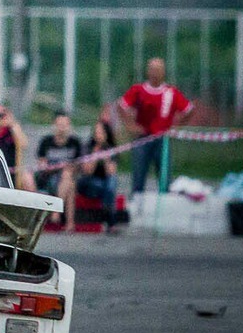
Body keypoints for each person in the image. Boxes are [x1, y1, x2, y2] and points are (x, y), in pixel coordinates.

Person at [118, 58, 195, 192]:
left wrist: (177, 126)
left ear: (163, 72)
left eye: (158, 70)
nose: (155, 73)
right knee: (138, 175)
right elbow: (121, 106)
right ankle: (137, 204)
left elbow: (189, 109)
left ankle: (165, 204)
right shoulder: (138, 90)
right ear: (147, 71)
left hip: (162, 139)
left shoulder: (171, 92)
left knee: (164, 176)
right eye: (152, 69)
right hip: (142, 139)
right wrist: (130, 126)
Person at [34, 112, 84, 227]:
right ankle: (68, 221)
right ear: (54, 125)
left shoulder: (75, 143)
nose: (62, 128)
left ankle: (57, 213)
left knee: (68, 179)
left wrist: (68, 168)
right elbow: (42, 165)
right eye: (59, 124)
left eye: (64, 125)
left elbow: (79, 166)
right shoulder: (46, 142)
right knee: (69, 183)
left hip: (67, 178)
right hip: (49, 178)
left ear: (69, 126)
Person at [77, 119, 121, 230]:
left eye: (101, 133)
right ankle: (111, 221)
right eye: (97, 133)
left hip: (104, 182)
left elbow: (111, 172)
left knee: (111, 182)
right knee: (104, 187)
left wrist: (106, 157)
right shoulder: (88, 147)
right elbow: (87, 171)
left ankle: (108, 216)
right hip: (88, 182)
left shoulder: (112, 149)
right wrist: (95, 154)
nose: (98, 135)